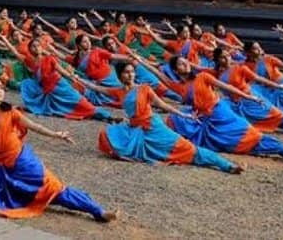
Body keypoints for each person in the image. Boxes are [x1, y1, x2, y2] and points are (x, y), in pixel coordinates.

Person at [0, 76, 119, 222]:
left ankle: (97, 211)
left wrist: (55, 134)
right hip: (2, 168)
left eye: (0, 88)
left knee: (53, 188)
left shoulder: (11, 112)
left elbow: (33, 125)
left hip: (22, 161)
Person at [92, 62, 242, 174]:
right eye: (126, 72)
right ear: (119, 75)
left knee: (188, 149)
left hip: (153, 126)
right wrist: (74, 77)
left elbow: (163, 105)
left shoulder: (144, 88)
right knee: (105, 134)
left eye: (132, 72)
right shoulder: (118, 92)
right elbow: (96, 88)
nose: (130, 75)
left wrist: (184, 114)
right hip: (135, 130)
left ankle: (227, 165)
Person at [153, 56, 283, 164]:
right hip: (206, 120)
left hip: (221, 113)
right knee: (174, 119)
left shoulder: (203, 76)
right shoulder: (180, 87)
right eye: (180, 64)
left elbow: (227, 87)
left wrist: (249, 97)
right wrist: (139, 60)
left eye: (186, 62)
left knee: (250, 134)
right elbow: (159, 75)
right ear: (175, 70)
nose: (185, 65)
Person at [212, 47, 283, 139]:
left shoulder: (240, 68)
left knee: (280, 116)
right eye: (223, 57)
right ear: (217, 60)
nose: (227, 59)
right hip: (239, 105)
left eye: (228, 55)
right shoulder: (217, 74)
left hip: (254, 99)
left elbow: (258, 78)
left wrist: (277, 86)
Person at [20, 39, 114, 122]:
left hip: (61, 86)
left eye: (38, 45)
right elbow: (39, 81)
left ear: (42, 48)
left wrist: (73, 78)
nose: (36, 48)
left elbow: (61, 71)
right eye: (33, 46)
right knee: (66, 108)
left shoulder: (49, 58)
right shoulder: (34, 66)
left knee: (80, 102)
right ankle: (96, 115)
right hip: (51, 93)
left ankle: (106, 115)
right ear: (30, 50)